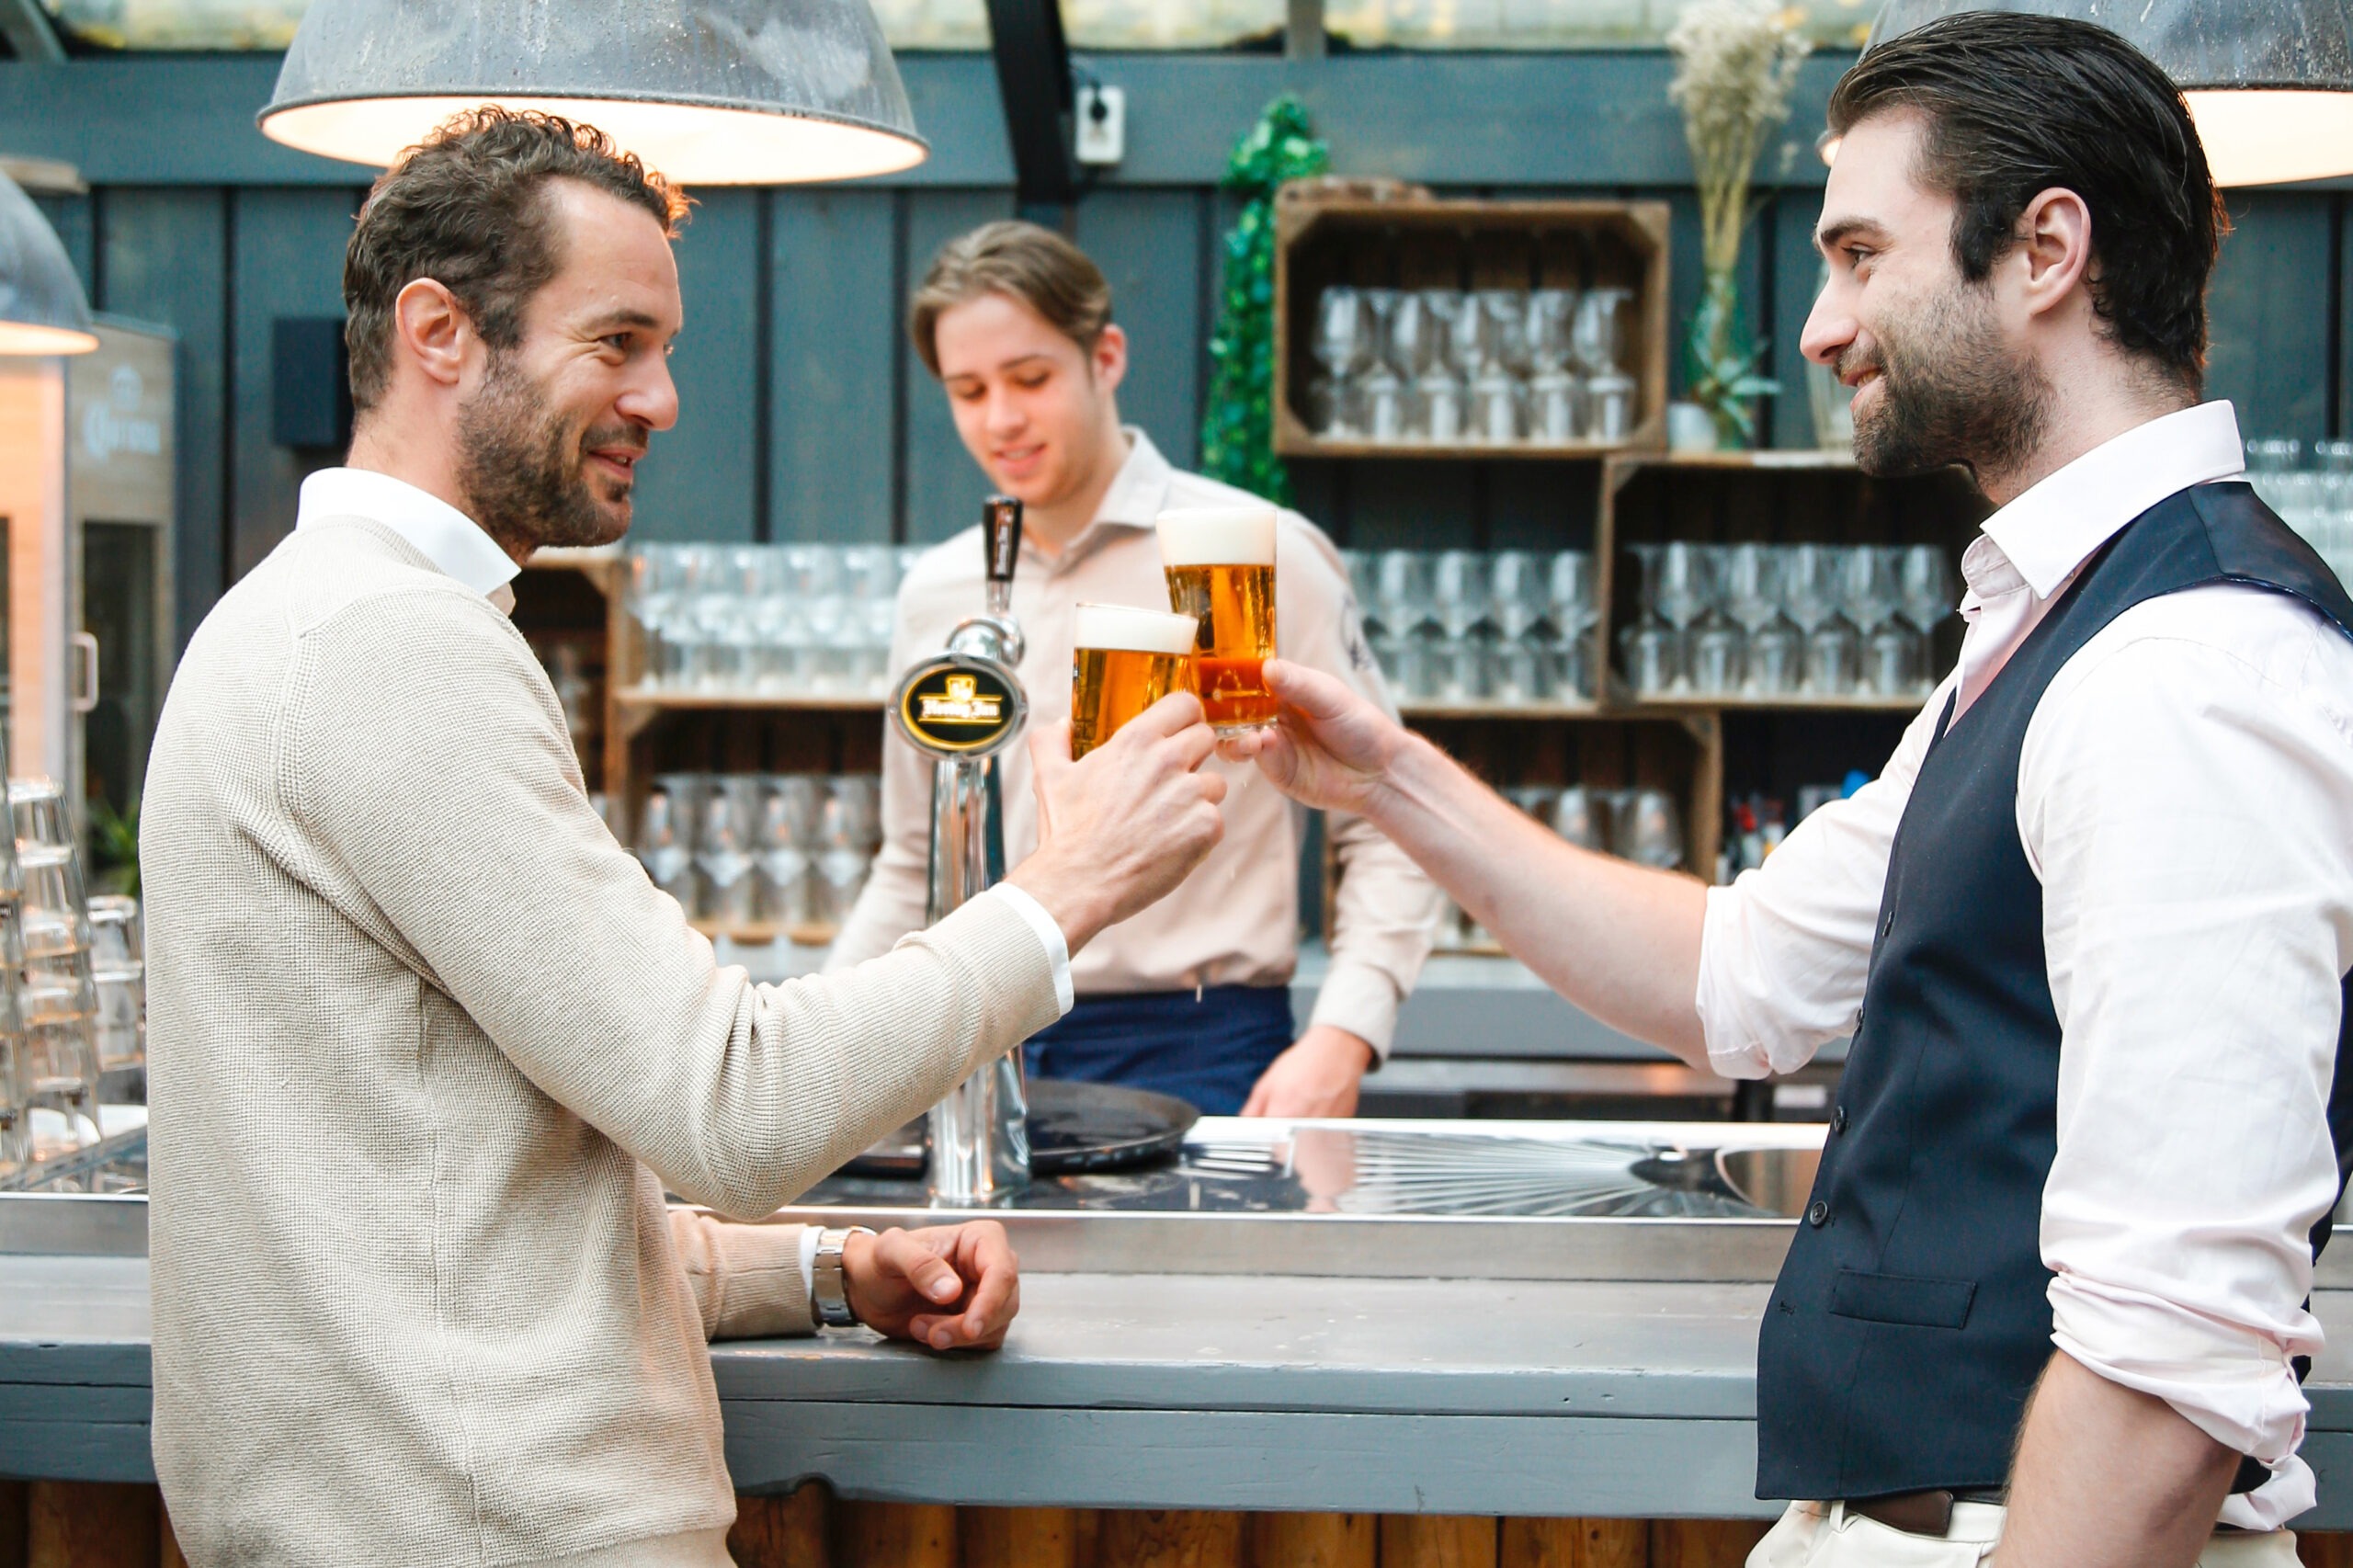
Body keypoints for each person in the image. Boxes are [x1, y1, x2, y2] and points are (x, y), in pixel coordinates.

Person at [1227, 17, 2352, 1566]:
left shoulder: (2190, 664)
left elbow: (2167, 1363)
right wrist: (1393, 782)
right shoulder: (2053, 627)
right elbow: (1740, 977)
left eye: (1856, 253)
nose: (1819, 327)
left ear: (2045, 249)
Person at [140, 110, 1227, 1568]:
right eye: (618, 341)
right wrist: (1069, 884)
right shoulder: (386, 645)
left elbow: (462, 1211)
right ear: (439, 331)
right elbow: (734, 1102)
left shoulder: (323, 618)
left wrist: (836, 1270)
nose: (662, 397)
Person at [827, 221, 1440, 1118]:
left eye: (1030, 379)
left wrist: (1343, 1036)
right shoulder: (941, 591)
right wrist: (821, 1051)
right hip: (976, 1037)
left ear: (1105, 356)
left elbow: (1388, 816)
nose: (1000, 418)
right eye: (968, 390)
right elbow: (912, 861)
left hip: (1205, 1042)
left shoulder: (1250, 554)